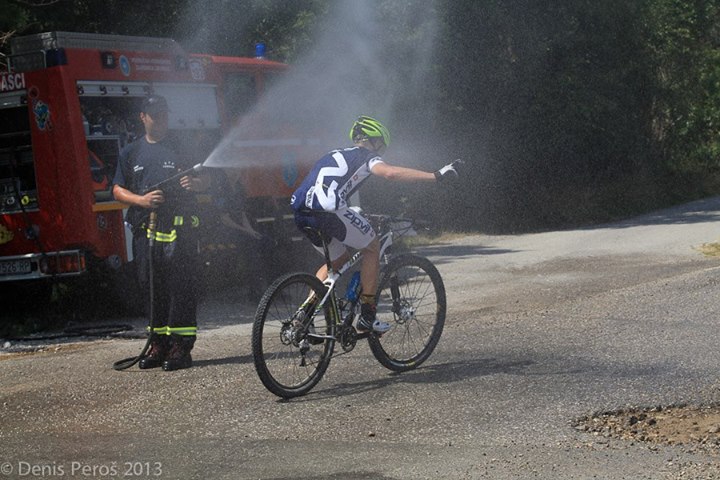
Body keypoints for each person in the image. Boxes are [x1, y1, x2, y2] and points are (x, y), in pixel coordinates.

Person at [290, 115, 460, 333]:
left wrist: (351, 212)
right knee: (371, 246)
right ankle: (367, 316)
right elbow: (390, 173)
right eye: (382, 146)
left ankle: (304, 313)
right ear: (376, 141)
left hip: (301, 212)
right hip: (328, 212)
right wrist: (436, 176)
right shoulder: (367, 156)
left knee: (338, 260)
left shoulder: (333, 154)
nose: (381, 152)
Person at [112, 94, 208, 371]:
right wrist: (141, 201)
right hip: (148, 233)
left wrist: (198, 184)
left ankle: (181, 347)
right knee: (152, 288)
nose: (162, 119)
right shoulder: (130, 153)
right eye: (155, 114)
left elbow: (209, 179)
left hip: (181, 231)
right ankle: (158, 343)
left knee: (181, 288)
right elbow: (117, 189)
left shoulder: (182, 146)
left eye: (165, 113)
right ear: (143, 117)